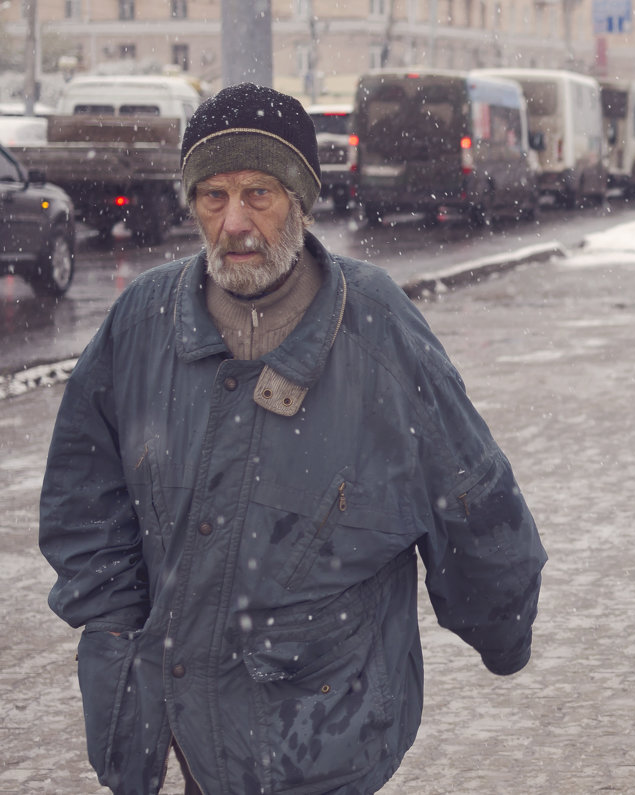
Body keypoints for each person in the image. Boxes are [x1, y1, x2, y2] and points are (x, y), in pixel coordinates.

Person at [38, 83, 548, 795]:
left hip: (321, 742)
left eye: (259, 193)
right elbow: (81, 496)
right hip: (176, 733)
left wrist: (501, 627)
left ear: (302, 201)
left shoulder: (377, 329)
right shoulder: (142, 321)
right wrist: (118, 632)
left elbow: (471, 497)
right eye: (212, 197)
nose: (235, 222)